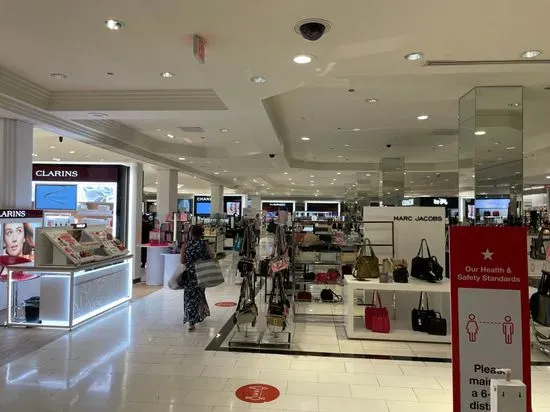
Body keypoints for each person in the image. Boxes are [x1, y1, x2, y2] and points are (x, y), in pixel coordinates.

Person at [180, 225, 212, 331]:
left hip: (190, 274)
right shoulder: (204, 244)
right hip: (202, 273)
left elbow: (182, 261)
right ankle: (201, 314)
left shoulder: (185, 245)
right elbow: (211, 257)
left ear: (191, 233)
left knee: (189, 297)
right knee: (200, 294)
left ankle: (191, 322)